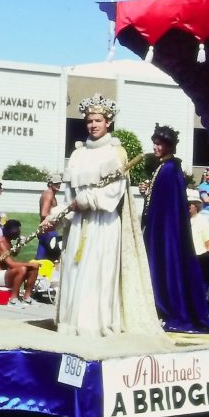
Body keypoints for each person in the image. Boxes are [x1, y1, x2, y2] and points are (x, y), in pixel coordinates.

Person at [53, 94, 162, 337]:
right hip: (79, 221)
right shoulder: (78, 154)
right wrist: (66, 210)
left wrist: (89, 199)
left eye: (98, 121)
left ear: (108, 122)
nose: (93, 125)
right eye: (89, 121)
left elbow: (115, 192)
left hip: (103, 222)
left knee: (97, 272)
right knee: (74, 270)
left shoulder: (116, 153)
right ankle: (71, 323)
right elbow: (70, 190)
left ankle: (95, 324)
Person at [141, 124, 209, 333]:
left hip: (166, 231)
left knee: (165, 268)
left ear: (169, 146)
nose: (155, 147)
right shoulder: (164, 167)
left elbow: (169, 207)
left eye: (159, 144)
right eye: (155, 144)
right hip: (160, 229)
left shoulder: (170, 169)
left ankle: (168, 309)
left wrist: (162, 229)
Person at [0, 220, 41, 305]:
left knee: (34, 268)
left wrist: (19, 244)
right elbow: (11, 263)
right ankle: (13, 299)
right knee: (22, 269)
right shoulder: (0, 243)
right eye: (18, 230)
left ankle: (27, 297)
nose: (19, 233)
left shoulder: (8, 242)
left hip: (6, 273)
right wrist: (28, 264)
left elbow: (13, 254)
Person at [36, 174, 63, 260]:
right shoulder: (49, 194)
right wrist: (58, 216)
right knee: (54, 258)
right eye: (56, 183)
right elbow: (44, 213)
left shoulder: (49, 194)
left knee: (40, 259)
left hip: (45, 231)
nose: (58, 185)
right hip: (48, 232)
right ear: (50, 184)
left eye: (59, 183)